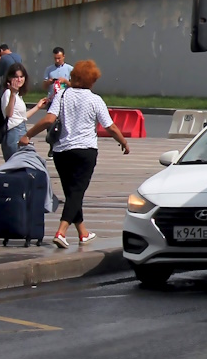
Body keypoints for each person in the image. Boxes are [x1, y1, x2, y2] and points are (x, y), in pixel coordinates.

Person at [19, 59, 129, 248]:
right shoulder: (95, 100)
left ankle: (83, 233)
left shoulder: (62, 95)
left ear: (74, 76)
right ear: (92, 80)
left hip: (62, 152)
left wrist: (28, 135)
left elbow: (48, 120)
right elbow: (109, 126)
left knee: (72, 193)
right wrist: (124, 142)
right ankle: (61, 232)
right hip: (85, 152)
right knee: (76, 193)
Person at [0, 63, 49, 161]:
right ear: (9, 78)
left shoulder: (17, 95)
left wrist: (37, 107)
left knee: (23, 166)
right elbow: (9, 114)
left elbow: (21, 117)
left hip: (21, 130)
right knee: (18, 166)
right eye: (16, 77)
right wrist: (12, 94)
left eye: (21, 76)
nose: (19, 79)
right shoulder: (8, 93)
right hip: (14, 133)